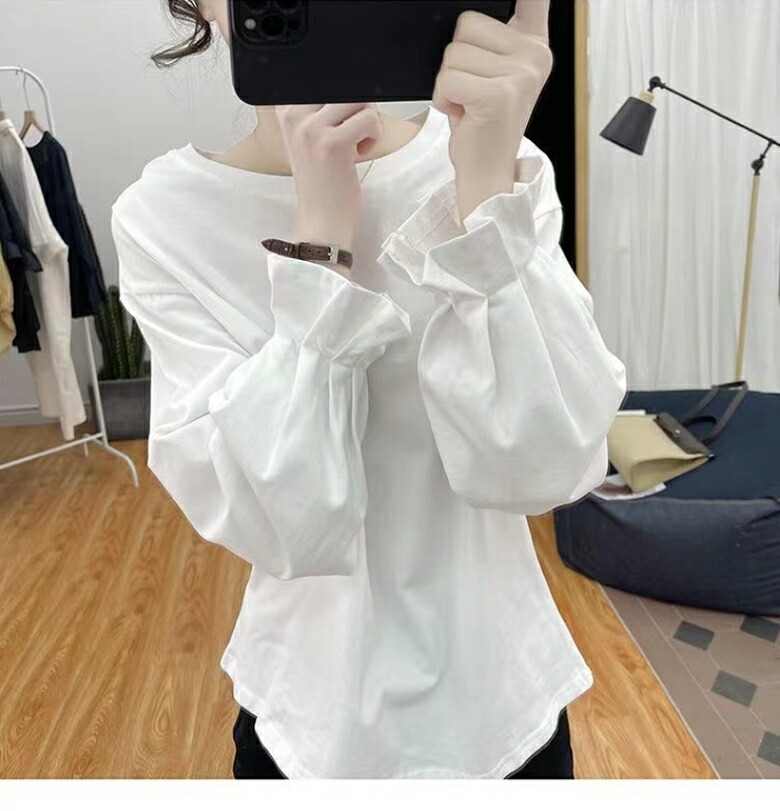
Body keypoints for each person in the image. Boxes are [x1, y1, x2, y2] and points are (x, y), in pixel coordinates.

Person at [113, 0, 627, 779]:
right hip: (313, 715)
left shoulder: (492, 157)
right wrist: (320, 242)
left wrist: (484, 189)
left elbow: (545, 467)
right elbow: (287, 526)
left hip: (501, 701)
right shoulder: (165, 217)